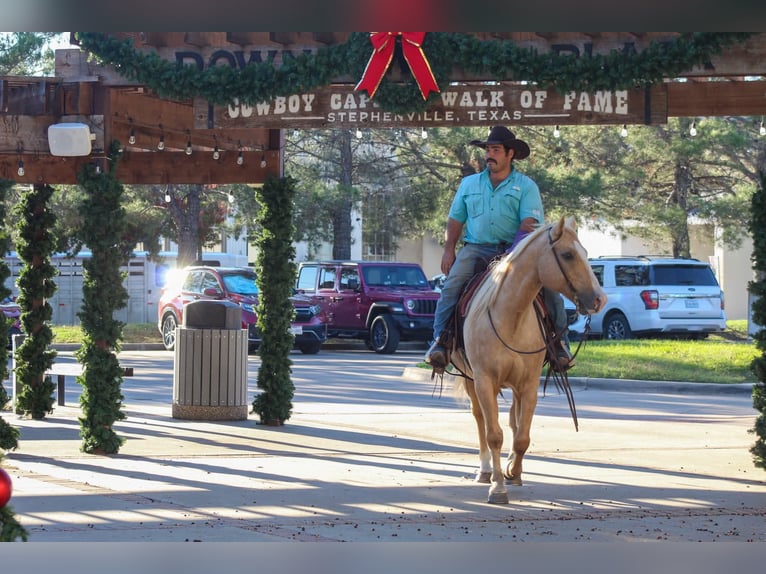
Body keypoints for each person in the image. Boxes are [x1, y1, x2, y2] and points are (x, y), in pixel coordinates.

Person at [425, 125, 572, 370]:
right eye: (487, 150)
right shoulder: (469, 184)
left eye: (495, 150)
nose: (489, 155)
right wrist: (449, 250)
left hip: (516, 249)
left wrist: (511, 254)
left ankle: (559, 345)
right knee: (451, 288)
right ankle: (440, 342)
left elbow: (530, 223)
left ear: (510, 154)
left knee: (549, 290)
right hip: (476, 248)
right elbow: (455, 220)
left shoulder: (526, 186)